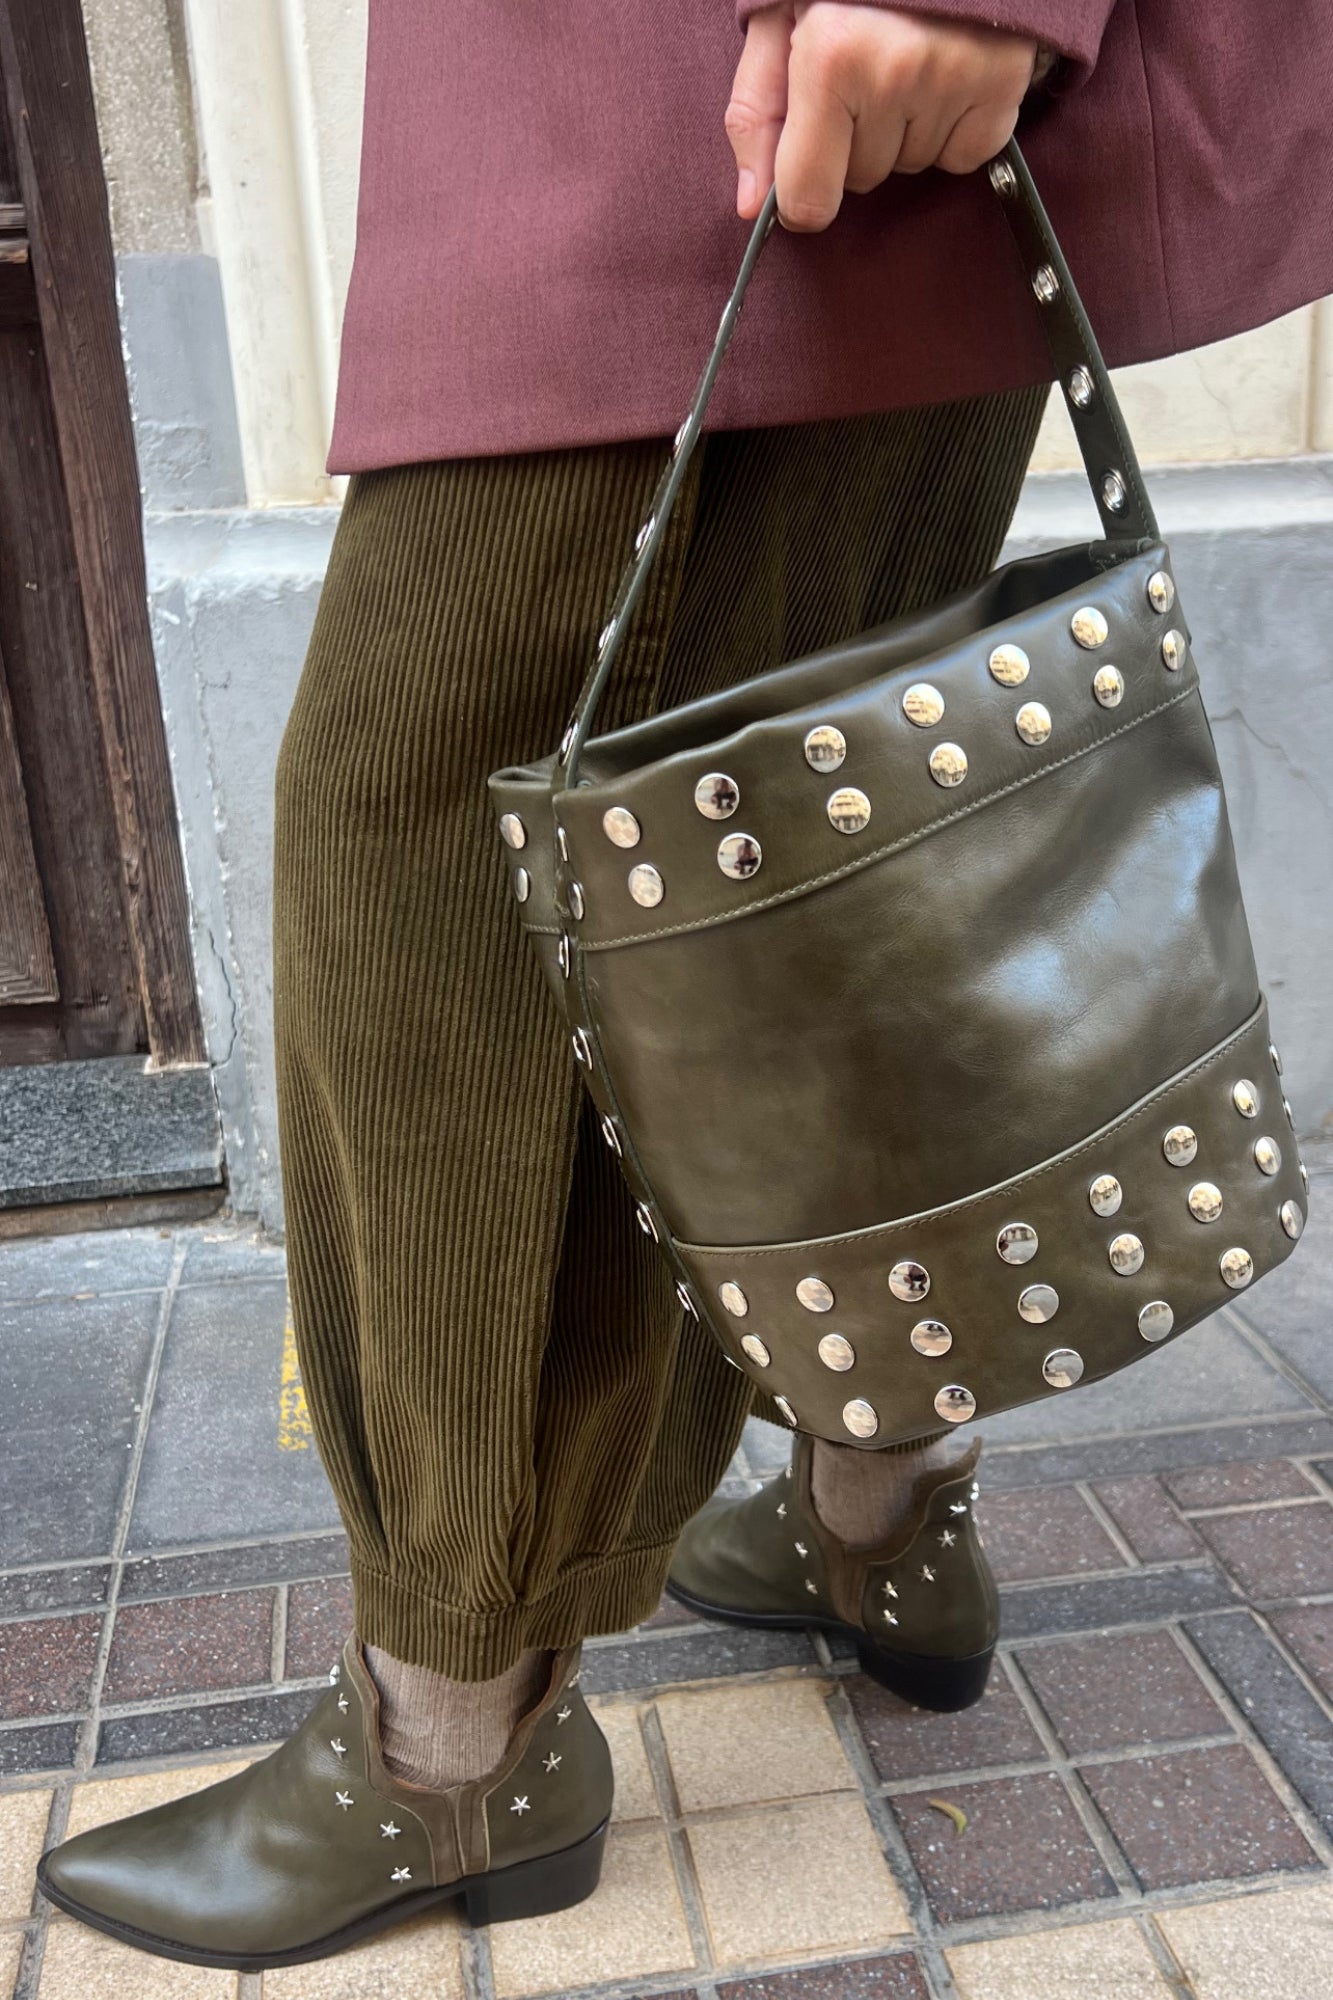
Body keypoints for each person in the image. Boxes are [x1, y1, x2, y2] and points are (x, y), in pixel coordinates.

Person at [37, 0, 1333, 1971]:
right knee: (835, 818)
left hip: (704, 83)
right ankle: (881, 1508)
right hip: (715, 83)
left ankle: (447, 1739)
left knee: (427, 848)